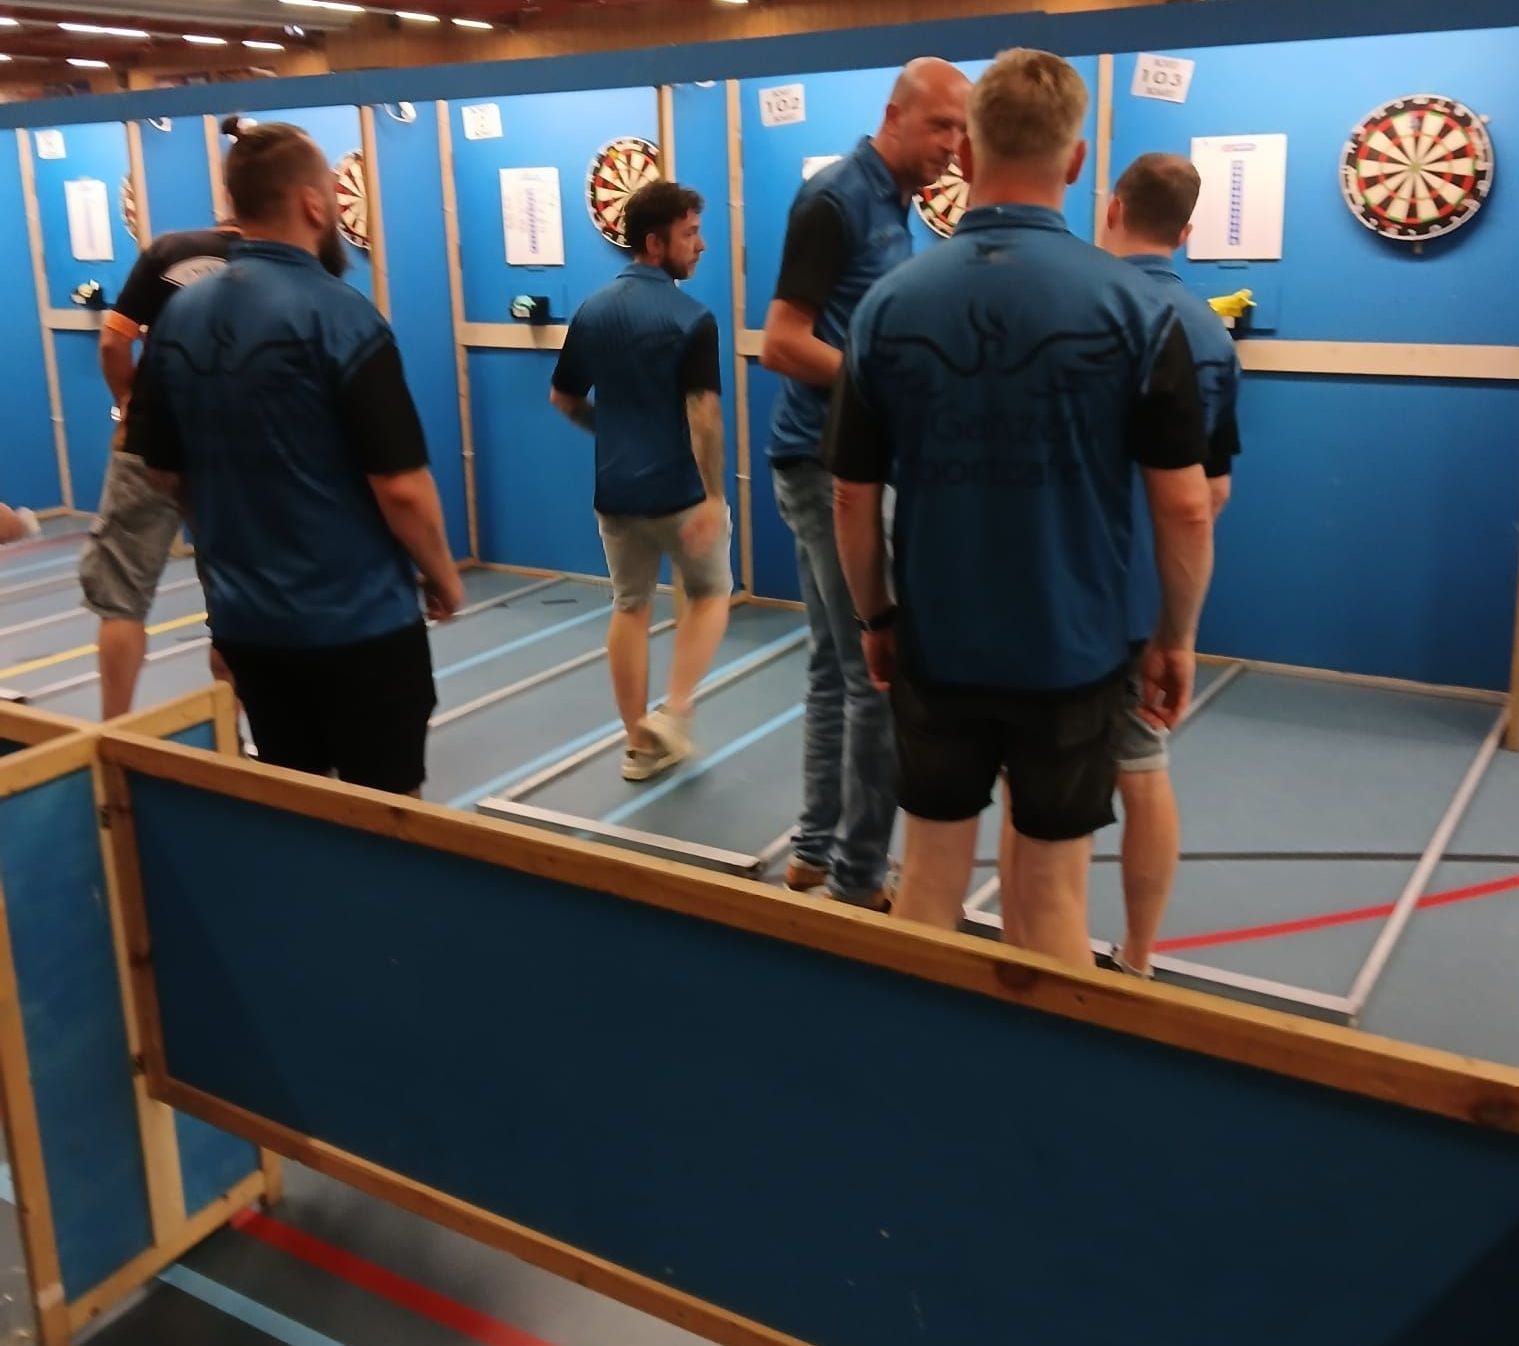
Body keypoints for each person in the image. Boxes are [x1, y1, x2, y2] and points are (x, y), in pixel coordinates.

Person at [827, 48, 1215, 967]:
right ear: (1075, 162)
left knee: (927, 882)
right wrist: (1175, 635)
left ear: (966, 153)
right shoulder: (1140, 311)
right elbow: (1186, 509)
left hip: (938, 643)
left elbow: (850, 493)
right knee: (1050, 899)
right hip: (1075, 653)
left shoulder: (886, 307)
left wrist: (875, 618)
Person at [128, 119, 462, 796]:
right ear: (313, 203)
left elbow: (163, 471)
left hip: (248, 627)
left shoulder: (177, 320)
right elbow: (400, 486)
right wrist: (442, 576)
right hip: (360, 625)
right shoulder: (343, 317)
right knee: (387, 815)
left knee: (296, 806)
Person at [998, 150, 1243, 977]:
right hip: (1142, 592)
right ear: (1186, 230)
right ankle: (1136, 960)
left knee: (1027, 773)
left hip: (1053, 584)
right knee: (1142, 769)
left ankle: (1023, 947)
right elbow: (1208, 494)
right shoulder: (1205, 332)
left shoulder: (1074, 308)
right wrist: (1174, 611)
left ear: (1110, 208)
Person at [760, 56, 970, 911]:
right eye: (939, 125)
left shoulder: (893, 205)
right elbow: (782, 341)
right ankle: (856, 880)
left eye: (961, 130)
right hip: (823, 465)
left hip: (832, 460)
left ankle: (814, 853)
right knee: (875, 678)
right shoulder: (837, 200)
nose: (951, 145)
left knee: (832, 668)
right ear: (894, 115)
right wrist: (883, 388)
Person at [550, 180, 732, 781]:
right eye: (690, 234)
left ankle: (637, 744)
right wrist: (715, 496)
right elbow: (703, 414)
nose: (701, 245)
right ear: (656, 244)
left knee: (630, 606)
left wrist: (608, 429)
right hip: (679, 493)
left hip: (616, 494)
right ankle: (674, 712)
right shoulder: (693, 319)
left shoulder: (593, 311)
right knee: (711, 593)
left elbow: (563, 399)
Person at [84, 217, 241, 718]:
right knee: (233, 601)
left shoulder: (169, 250)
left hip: (148, 443)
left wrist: (129, 401)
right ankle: (232, 737)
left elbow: (114, 341)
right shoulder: (272, 263)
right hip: (231, 454)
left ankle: (115, 736)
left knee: (122, 600)